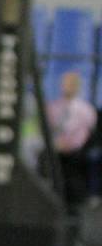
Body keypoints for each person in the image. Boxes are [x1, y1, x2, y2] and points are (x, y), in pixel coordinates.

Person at [46, 70, 97, 212]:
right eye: (64, 84)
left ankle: (74, 209)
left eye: (70, 84)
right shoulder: (53, 108)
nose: (66, 87)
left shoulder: (86, 110)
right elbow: (49, 130)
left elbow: (86, 134)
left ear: (77, 86)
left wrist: (71, 145)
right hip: (56, 151)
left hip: (76, 153)